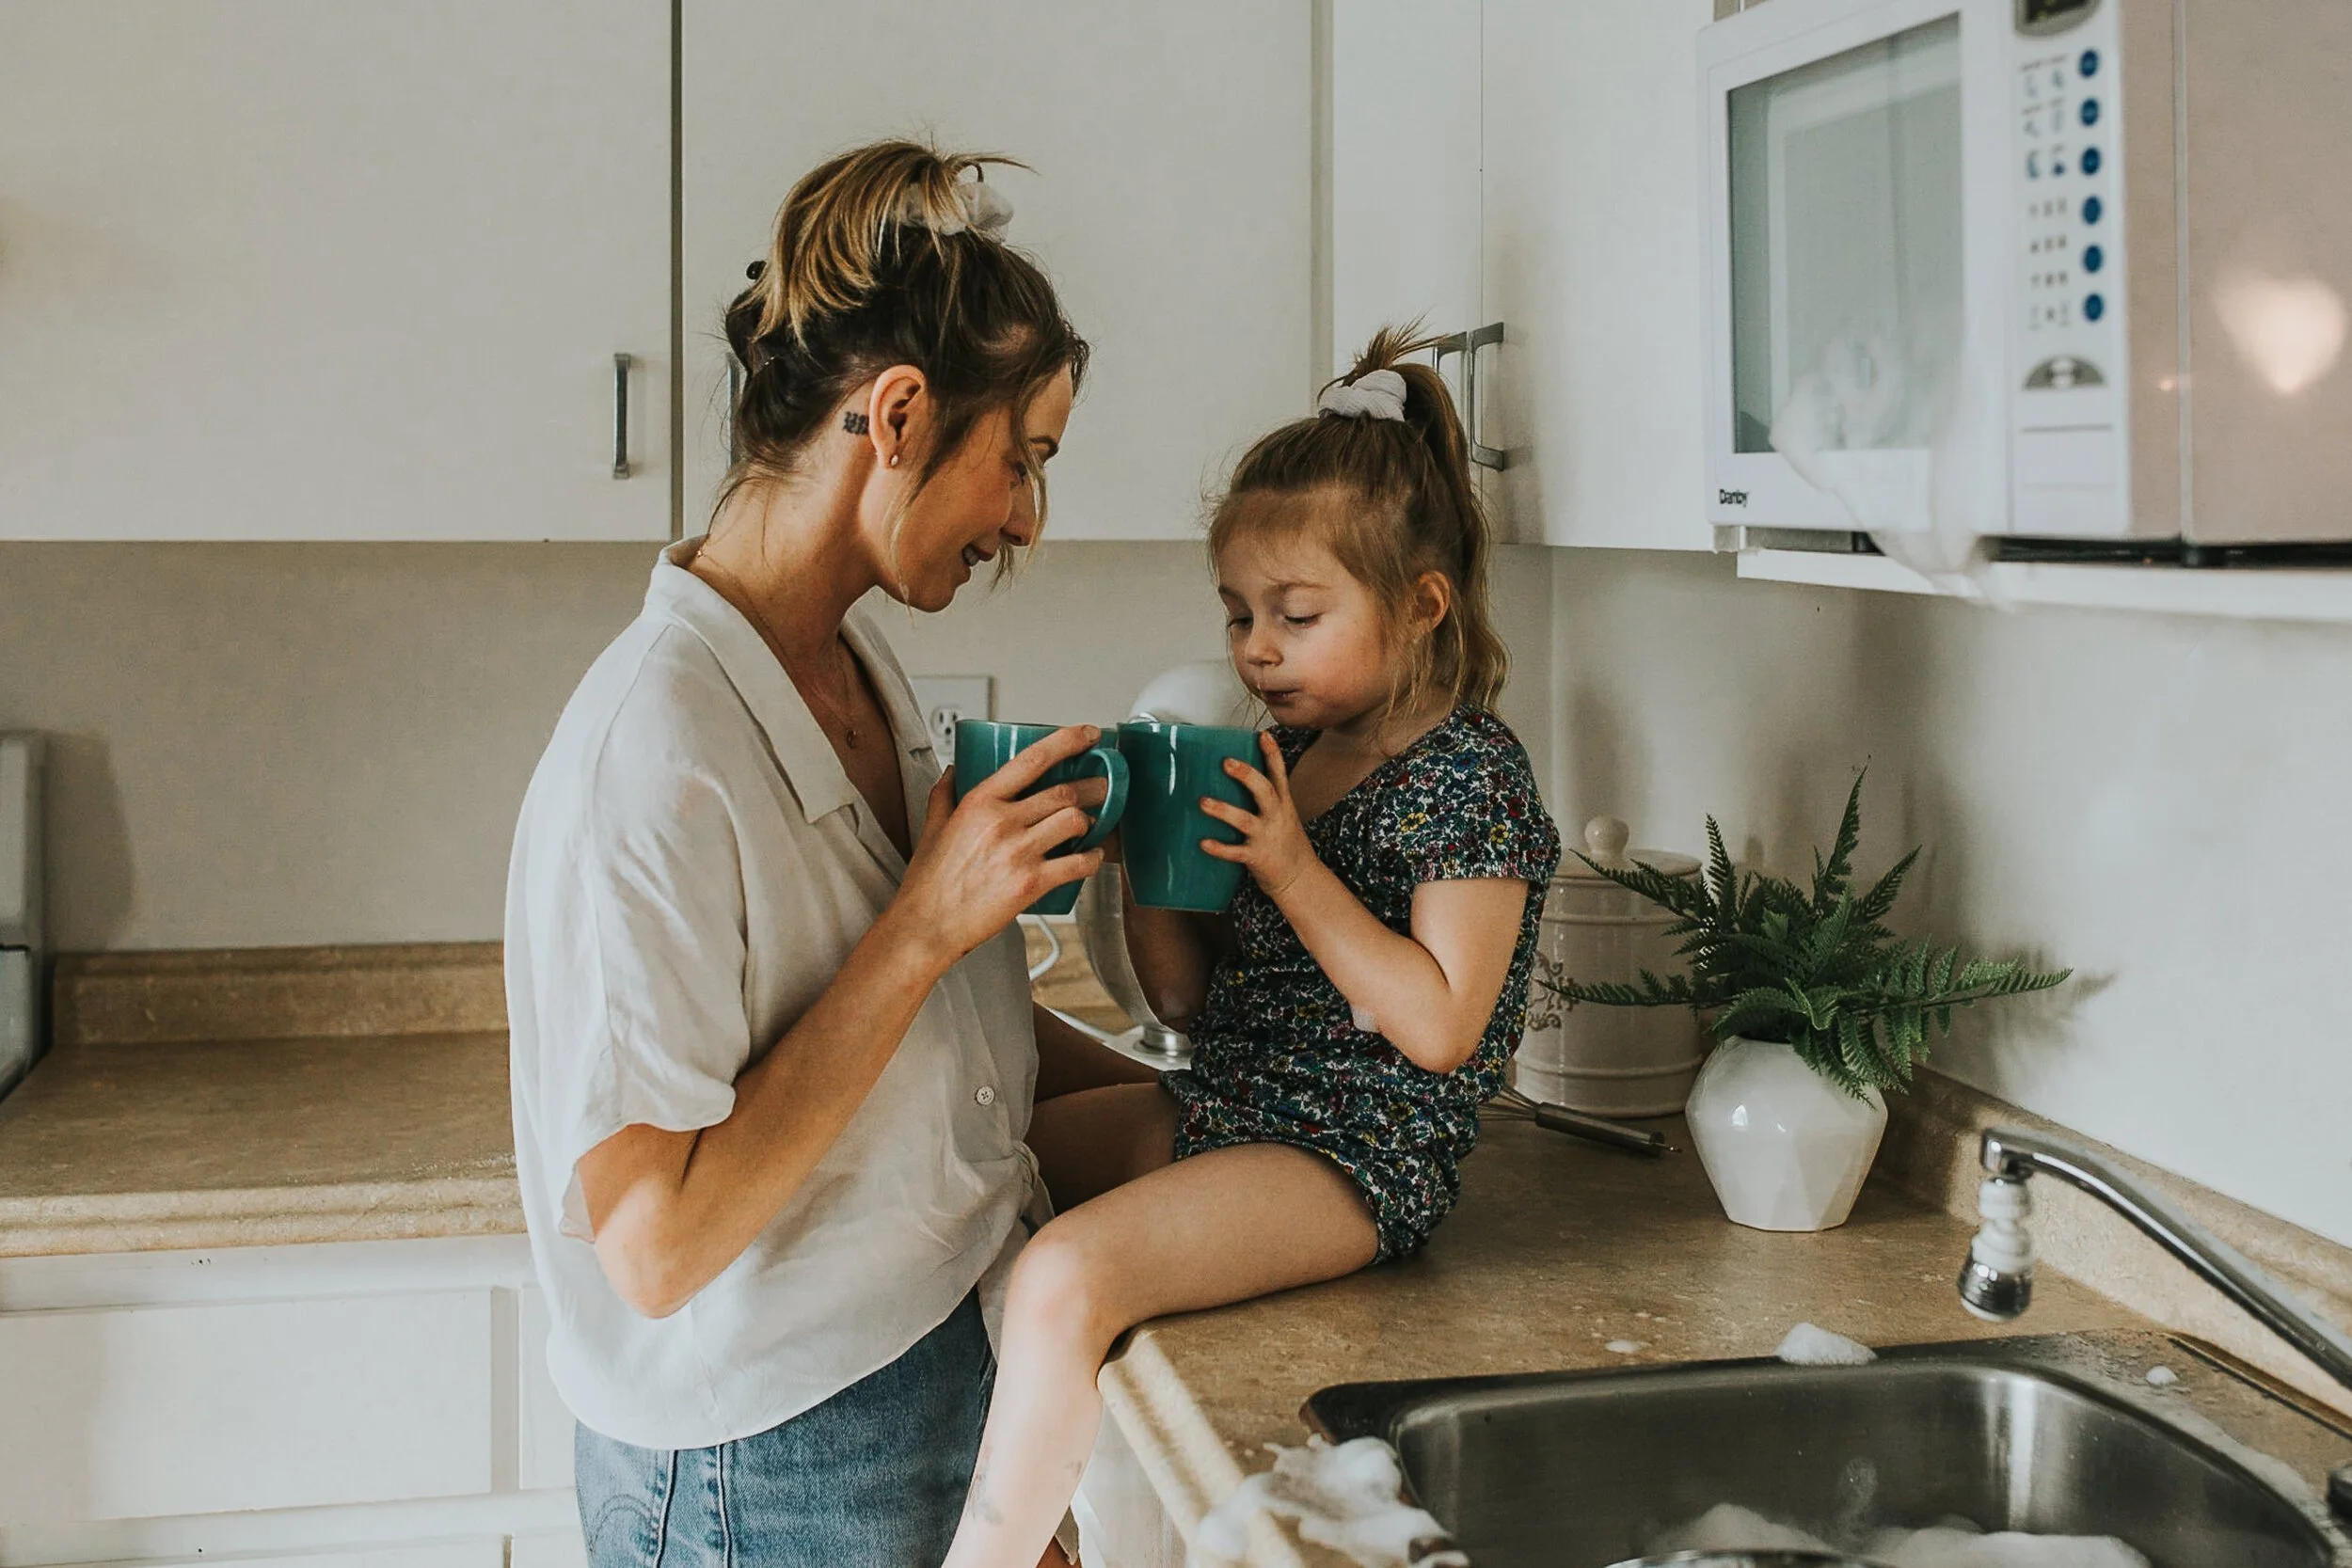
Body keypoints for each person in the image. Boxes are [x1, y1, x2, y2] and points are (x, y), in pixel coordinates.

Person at [504, 140, 1149, 1568]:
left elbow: (938, 1037)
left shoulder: (848, 663)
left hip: (935, 1372)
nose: (1025, 520)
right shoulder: (650, 750)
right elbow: (658, 1246)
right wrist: (926, 924)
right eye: (1022, 461)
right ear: (900, 416)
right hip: (766, 1470)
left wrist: (1202, 1098)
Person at [937, 328, 1564, 1568]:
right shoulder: (1287, 757)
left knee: (1063, 1275)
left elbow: (1442, 1026)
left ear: (1422, 603)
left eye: (1297, 614)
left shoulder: (1470, 773)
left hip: (1353, 1157)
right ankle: (1036, 1520)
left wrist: (1289, 868)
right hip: (1229, 1105)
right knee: (964, 1168)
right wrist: (1144, 857)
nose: (1256, 646)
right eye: (1238, 614)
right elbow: (1186, 1001)